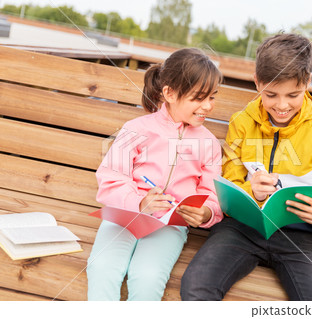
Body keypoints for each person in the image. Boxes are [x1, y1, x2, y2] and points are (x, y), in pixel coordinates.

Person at [181, 33, 312, 301]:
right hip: (242, 229)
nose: (282, 105)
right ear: (257, 83)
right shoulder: (242, 123)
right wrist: (252, 191)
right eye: (271, 94)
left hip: (300, 236)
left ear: (307, 82)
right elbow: (227, 184)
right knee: (196, 287)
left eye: (293, 94)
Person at [87, 48, 224, 301]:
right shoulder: (135, 129)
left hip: (169, 226)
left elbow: (212, 196)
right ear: (169, 93)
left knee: (147, 277)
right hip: (124, 216)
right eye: (198, 98)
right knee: (102, 268)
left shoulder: (210, 144)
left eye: (212, 97)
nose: (207, 106)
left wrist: (206, 213)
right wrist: (139, 202)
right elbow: (110, 176)